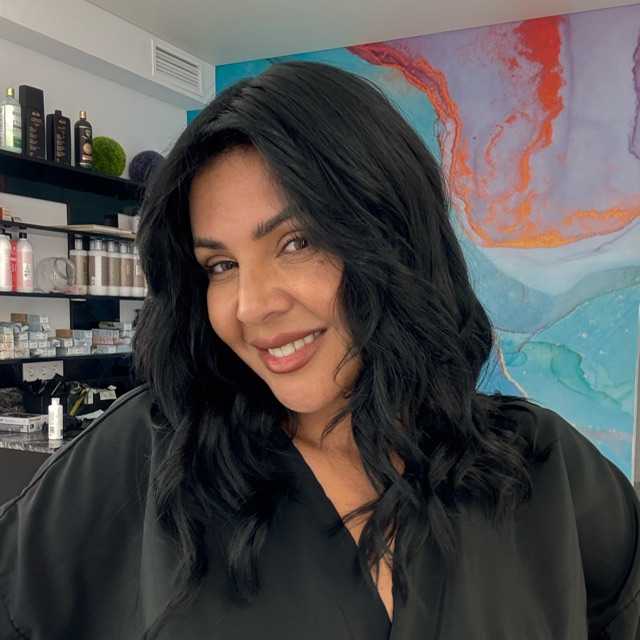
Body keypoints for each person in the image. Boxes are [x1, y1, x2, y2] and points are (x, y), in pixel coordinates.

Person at [0, 61, 638, 640]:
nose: (250, 306)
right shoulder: (148, 455)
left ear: (393, 237)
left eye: (297, 242)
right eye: (220, 265)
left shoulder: (545, 470)